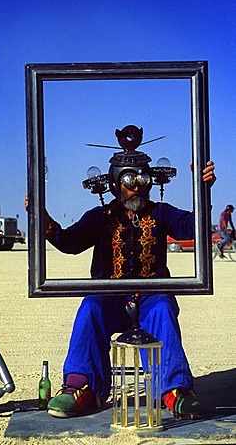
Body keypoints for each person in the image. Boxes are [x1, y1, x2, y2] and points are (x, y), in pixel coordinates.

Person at [25, 126, 216, 421]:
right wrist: (40, 213)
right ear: (115, 184)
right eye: (128, 180)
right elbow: (69, 242)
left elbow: (194, 228)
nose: (136, 186)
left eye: (141, 179)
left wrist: (202, 188)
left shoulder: (161, 213)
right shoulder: (100, 217)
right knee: (90, 306)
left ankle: (174, 389)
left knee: (164, 305)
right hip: (110, 299)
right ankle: (81, 385)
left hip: (151, 298)